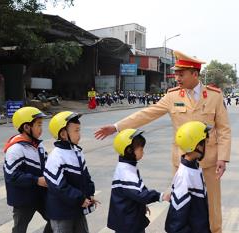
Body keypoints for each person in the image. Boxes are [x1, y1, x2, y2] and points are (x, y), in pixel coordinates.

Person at [95, 50, 231, 233]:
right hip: (182, 163)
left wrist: (223, 157)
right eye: (176, 74)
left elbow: (223, 129)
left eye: (181, 74)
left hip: (209, 163)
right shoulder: (173, 96)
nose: (177, 78)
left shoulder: (214, 96)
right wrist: (116, 126)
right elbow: (146, 114)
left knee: (212, 206)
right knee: (182, 207)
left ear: (195, 74)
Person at [107, 129, 170, 233]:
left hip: (129, 217)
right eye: (141, 149)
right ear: (129, 151)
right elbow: (140, 194)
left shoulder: (128, 166)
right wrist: (161, 196)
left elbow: (134, 192)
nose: (143, 152)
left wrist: (142, 206)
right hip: (128, 222)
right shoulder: (126, 171)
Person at [45, 111, 97, 233]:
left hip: (77, 207)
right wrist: (80, 198)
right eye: (76, 131)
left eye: (79, 130)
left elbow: (86, 177)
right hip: (61, 212)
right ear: (63, 134)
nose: (79, 134)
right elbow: (59, 187)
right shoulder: (56, 156)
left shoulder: (77, 152)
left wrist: (90, 193)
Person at [3, 107, 52, 233]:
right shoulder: (15, 149)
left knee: (54, 219)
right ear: (26, 127)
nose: (41, 129)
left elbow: (48, 165)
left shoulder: (39, 145)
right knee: (20, 228)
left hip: (41, 194)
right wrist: (36, 180)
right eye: (38, 125)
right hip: (23, 199)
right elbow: (11, 176)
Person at [165, 121, 211, 233]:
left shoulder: (194, 168)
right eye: (205, 142)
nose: (207, 145)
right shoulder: (184, 176)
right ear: (197, 146)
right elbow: (176, 219)